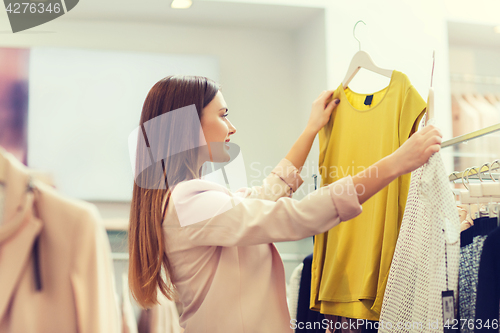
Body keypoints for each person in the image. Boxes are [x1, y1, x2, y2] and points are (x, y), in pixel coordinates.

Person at [128, 75, 442, 333]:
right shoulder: (189, 203)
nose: (232, 127)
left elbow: (268, 193)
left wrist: (311, 129)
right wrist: (396, 163)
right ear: (188, 126)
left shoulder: (190, 200)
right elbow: (297, 216)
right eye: (223, 115)